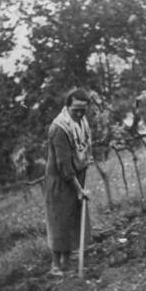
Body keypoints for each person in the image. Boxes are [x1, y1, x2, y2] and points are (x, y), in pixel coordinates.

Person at [44, 88, 93, 276]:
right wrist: (79, 189)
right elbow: (63, 164)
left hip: (75, 175)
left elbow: (86, 145)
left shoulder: (82, 121)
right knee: (60, 219)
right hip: (60, 180)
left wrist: (85, 164)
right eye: (76, 110)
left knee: (73, 216)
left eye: (83, 110)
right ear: (67, 107)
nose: (80, 114)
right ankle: (55, 265)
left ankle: (66, 261)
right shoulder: (59, 128)